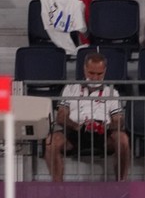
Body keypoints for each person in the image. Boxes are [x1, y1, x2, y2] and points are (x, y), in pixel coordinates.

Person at [44, 51, 130, 182]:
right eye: (91, 73)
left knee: (123, 139)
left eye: (99, 74)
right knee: (51, 141)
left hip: (103, 134)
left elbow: (119, 121)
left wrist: (105, 126)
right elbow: (61, 117)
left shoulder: (112, 92)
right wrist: (77, 126)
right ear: (84, 69)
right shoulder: (70, 89)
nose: (95, 77)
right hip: (75, 131)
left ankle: (121, 184)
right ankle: (57, 188)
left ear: (105, 71)